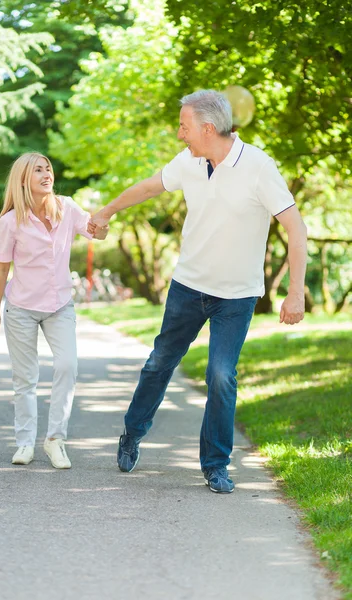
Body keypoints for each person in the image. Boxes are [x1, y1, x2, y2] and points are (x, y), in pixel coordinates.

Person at [88, 89, 307, 493]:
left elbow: (296, 227)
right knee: (159, 363)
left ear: (208, 128)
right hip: (188, 287)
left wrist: (296, 291)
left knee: (221, 375)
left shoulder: (258, 166)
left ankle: (216, 465)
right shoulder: (190, 161)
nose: (179, 134)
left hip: (237, 296)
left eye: (184, 126)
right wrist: (106, 211)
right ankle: (132, 434)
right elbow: (149, 187)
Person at [0, 152, 108, 469]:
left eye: (48, 169)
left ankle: (55, 440)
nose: (45, 174)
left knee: (67, 366)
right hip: (21, 308)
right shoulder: (10, 222)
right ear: (24, 179)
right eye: (37, 170)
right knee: (25, 379)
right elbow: (1, 270)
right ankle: (25, 444)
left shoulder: (67, 208)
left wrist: (103, 223)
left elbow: (95, 232)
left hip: (59, 305)